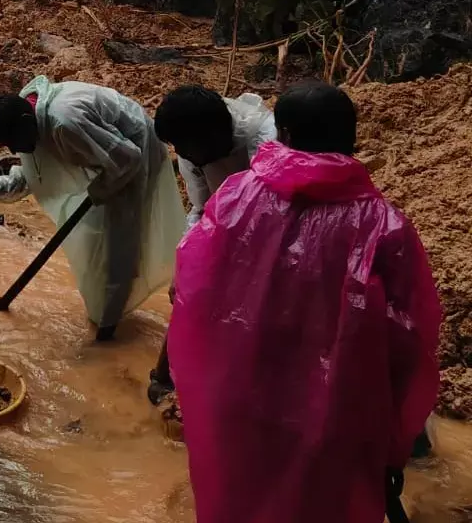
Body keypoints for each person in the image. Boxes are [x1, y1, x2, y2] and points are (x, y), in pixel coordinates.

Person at [168, 82, 440, 523]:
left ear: (285, 134)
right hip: (331, 411)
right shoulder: (384, 225)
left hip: (242, 396)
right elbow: (411, 341)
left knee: (241, 493)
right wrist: (396, 441)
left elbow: (194, 299)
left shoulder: (235, 196)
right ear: (352, 139)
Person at [0, 77, 185, 340]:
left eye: (11, 142)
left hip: (136, 153)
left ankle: (107, 331)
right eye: (6, 145)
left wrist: (97, 192)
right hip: (107, 155)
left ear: (25, 121)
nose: (13, 149)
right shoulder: (24, 123)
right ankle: (105, 310)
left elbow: (127, 159)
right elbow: (32, 176)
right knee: (93, 239)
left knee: (119, 244)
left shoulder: (66, 124)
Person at [146, 85, 276, 404]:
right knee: (190, 290)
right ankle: (166, 377)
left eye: (187, 147)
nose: (185, 156)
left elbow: (276, 207)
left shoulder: (265, 139)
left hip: (272, 234)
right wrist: (186, 265)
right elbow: (201, 208)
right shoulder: (194, 150)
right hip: (224, 226)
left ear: (216, 134)